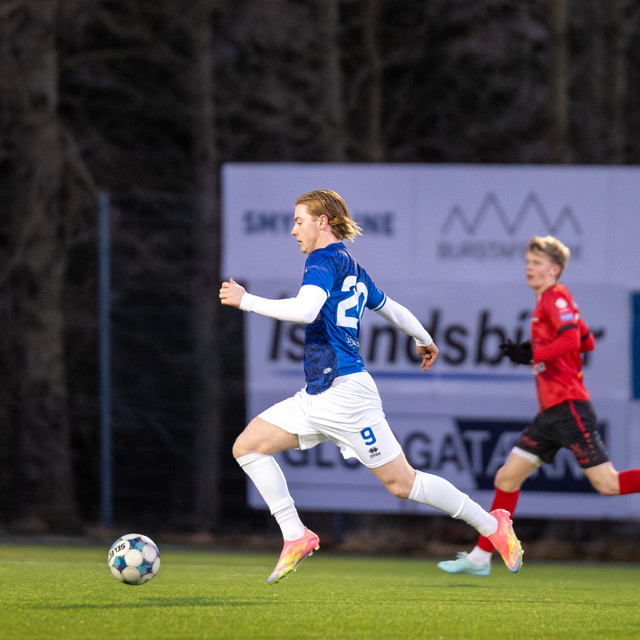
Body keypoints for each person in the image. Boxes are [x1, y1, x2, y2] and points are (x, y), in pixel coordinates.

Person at [219, 189, 523, 584]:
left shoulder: (322, 260)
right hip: (317, 394)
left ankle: (493, 525)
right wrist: (424, 338)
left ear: (322, 222)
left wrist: (246, 301)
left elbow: (305, 310)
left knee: (403, 483)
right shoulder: (351, 266)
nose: (293, 230)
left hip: (346, 395)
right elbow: (391, 307)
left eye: (299, 221)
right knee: (247, 446)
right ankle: (295, 535)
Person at [438, 234, 640, 577]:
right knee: (506, 478)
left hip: (569, 407)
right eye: (528, 262)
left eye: (537, 263)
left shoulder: (554, 297)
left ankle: (482, 556)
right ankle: (480, 558)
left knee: (608, 484)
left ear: (554, 269)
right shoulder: (554, 300)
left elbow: (572, 339)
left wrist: (534, 353)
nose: (529, 268)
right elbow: (587, 340)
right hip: (551, 413)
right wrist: (538, 351)